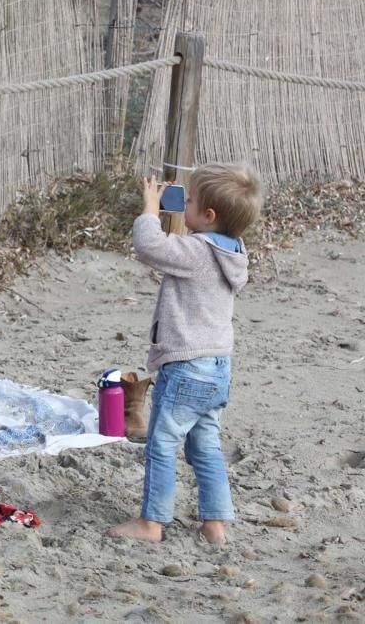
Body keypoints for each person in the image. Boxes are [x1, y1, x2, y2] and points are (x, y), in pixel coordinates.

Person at [108, 165, 263, 545]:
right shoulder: (233, 252)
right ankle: (215, 524)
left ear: (208, 216)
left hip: (187, 369)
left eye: (190, 201)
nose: (185, 203)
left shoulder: (196, 251)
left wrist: (150, 209)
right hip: (218, 370)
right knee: (205, 446)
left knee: (162, 443)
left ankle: (151, 523)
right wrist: (181, 213)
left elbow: (150, 246)